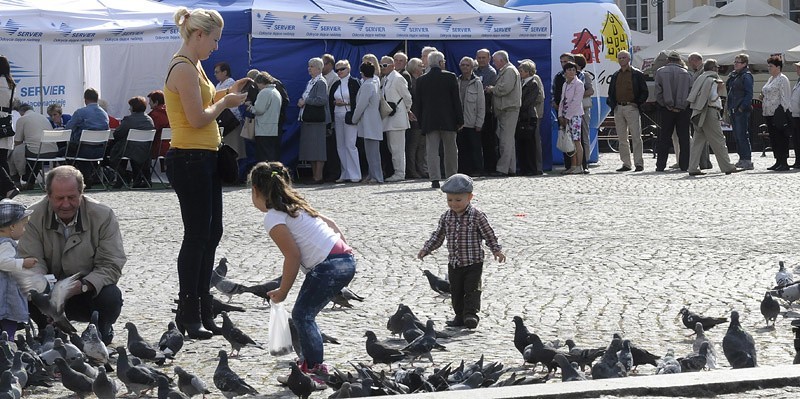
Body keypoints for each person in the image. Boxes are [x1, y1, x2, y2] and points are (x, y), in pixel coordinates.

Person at [163, 6, 248, 339]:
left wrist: (226, 93)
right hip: (189, 158)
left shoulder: (194, 65)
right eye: (214, 39)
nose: (216, 47)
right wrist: (225, 104)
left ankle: (201, 302)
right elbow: (198, 118)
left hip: (204, 157)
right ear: (198, 35)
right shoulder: (182, 67)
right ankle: (188, 310)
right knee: (197, 235)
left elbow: (204, 101)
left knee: (212, 233)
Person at [253, 162, 356, 384]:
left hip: (327, 266)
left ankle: (315, 370)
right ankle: (309, 364)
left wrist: (283, 291)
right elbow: (332, 224)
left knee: (302, 315)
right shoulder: (298, 206)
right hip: (344, 259)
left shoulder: (273, 217)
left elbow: (293, 256)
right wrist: (346, 254)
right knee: (305, 314)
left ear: (256, 191)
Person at [18, 166, 126, 344]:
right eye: (59, 198)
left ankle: (101, 330)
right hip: (47, 292)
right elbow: (30, 260)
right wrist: (45, 290)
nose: (66, 204)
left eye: (72, 197)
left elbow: (111, 264)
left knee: (111, 295)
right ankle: (47, 329)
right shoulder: (32, 216)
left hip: (84, 290)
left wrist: (81, 286)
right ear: (48, 195)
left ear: (81, 193)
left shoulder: (103, 215)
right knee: (22, 286)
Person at [417, 173, 505, 329]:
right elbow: (438, 236)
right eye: (449, 200)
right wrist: (427, 249)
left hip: (473, 262)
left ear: (470, 197)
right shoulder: (446, 217)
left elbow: (489, 234)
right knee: (456, 290)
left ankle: (471, 314)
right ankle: (459, 315)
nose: (454, 204)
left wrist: (496, 250)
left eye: (458, 200)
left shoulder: (477, 216)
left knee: (472, 289)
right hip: (455, 262)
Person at [416, 51, 463, 188]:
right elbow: (456, 101)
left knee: (431, 151)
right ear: (441, 63)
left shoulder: (421, 80)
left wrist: (420, 122)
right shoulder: (450, 77)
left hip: (429, 120)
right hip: (449, 119)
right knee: (451, 150)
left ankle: (434, 178)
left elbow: (418, 104)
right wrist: (460, 120)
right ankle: (451, 177)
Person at [686, 60, 740, 176]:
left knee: (697, 141)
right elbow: (712, 98)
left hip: (697, 112)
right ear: (714, 68)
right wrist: (720, 91)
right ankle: (727, 166)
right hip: (709, 112)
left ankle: (692, 167)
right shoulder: (713, 80)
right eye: (717, 67)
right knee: (719, 140)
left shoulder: (700, 78)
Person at [606, 50, 649, 172]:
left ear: (629, 59)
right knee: (622, 138)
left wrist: (637, 103)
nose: (621, 60)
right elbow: (611, 93)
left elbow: (644, 91)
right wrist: (612, 105)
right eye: (619, 58)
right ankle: (626, 163)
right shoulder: (615, 75)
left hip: (631, 107)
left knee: (636, 136)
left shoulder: (636, 74)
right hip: (618, 108)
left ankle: (639, 163)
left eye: (624, 57)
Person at [0, 199, 37, 338]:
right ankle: (7, 342)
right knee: (9, 317)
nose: (25, 229)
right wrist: (22, 263)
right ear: (12, 227)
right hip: (5, 293)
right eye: (23, 225)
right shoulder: (6, 244)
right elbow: (2, 262)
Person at [654, 50, 692, 172]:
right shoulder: (687, 74)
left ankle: (660, 165)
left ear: (668, 60)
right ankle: (684, 165)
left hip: (667, 110)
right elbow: (691, 93)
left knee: (664, 138)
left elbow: (658, 93)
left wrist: (666, 105)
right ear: (679, 60)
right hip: (683, 110)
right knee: (684, 139)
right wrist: (684, 105)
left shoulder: (660, 72)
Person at [107, 96, 155, 188]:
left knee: (117, 151)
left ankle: (122, 176)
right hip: (146, 150)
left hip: (129, 150)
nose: (129, 109)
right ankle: (136, 179)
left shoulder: (129, 119)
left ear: (133, 107)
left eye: (130, 106)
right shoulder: (150, 120)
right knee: (128, 149)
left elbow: (117, 134)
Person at [486, 50, 521, 176]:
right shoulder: (507, 70)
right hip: (505, 109)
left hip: (508, 109)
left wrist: (492, 89)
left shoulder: (510, 71)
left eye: (494, 61)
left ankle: (502, 168)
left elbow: (504, 88)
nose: (493, 64)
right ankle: (510, 168)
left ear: (501, 60)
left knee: (505, 141)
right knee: (508, 140)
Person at [64, 88, 109, 184]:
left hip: (82, 151)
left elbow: (68, 128)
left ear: (85, 99)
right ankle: (90, 176)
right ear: (97, 99)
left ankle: (72, 180)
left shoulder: (80, 112)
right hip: (100, 152)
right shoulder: (105, 114)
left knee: (61, 153)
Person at [379, 55, 412, 182]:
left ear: (392, 66)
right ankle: (397, 171)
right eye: (381, 65)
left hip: (397, 118)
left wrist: (407, 110)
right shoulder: (385, 79)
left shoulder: (398, 79)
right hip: (388, 117)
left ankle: (400, 172)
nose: (382, 68)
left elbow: (407, 97)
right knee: (392, 147)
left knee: (397, 147)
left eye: (385, 65)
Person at [328, 60, 361, 183]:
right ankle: (345, 172)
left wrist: (346, 103)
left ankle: (355, 173)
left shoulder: (354, 82)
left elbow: (358, 99)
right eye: (337, 70)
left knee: (350, 144)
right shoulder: (336, 84)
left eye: (342, 69)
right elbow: (331, 99)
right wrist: (335, 103)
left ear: (348, 69)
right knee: (340, 145)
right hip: (338, 114)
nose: (339, 72)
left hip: (349, 115)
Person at [298, 57, 330, 184]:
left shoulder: (321, 82)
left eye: (311, 66)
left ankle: (318, 176)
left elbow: (322, 100)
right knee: (311, 149)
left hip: (317, 120)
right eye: (308, 66)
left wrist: (306, 101)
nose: (309, 69)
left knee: (318, 149)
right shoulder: (311, 82)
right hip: (308, 118)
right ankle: (314, 175)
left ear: (318, 68)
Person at [13, 103, 58, 191]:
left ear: (21, 112)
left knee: (12, 152)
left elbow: (17, 142)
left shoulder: (22, 119)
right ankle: (30, 181)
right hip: (53, 151)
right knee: (35, 152)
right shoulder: (43, 117)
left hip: (36, 152)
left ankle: (16, 181)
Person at [351, 62, 383, 184]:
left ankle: (377, 176)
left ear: (362, 73)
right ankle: (372, 174)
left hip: (370, 121)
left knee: (372, 152)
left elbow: (361, 105)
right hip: (372, 120)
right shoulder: (373, 83)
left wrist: (354, 119)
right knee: (371, 151)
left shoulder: (367, 85)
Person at [760, 55, 792, 171]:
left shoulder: (782, 79)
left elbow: (785, 97)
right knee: (774, 138)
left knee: (781, 137)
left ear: (778, 67)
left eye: (771, 66)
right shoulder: (771, 79)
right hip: (768, 112)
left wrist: (783, 112)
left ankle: (784, 161)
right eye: (768, 66)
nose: (769, 68)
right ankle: (777, 160)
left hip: (777, 113)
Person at [457, 57, 485, 176]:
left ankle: (477, 170)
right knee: (461, 148)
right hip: (460, 122)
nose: (464, 67)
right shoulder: (456, 81)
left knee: (475, 148)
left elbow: (481, 104)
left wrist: (479, 122)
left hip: (472, 121)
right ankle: (464, 170)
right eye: (462, 65)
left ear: (472, 67)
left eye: (467, 65)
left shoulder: (477, 82)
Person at [726, 53, 755, 170]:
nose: (735, 64)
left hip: (741, 110)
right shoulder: (735, 75)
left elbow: (749, 94)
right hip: (733, 108)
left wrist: (742, 107)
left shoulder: (746, 76)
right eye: (735, 62)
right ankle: (741, 158)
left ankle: (747, 159)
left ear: (744, 64)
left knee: (742, 134)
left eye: (738, 62)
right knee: (737, 135)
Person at [213, 61, 245, 160]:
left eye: (217, 72)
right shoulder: (218, 85)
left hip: (231, 120)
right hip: (222, 120)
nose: (215, 74)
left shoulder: (231, 84)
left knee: (234, 149)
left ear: (225, 72)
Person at [559, 61, 585, 175]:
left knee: (576, 140)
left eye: (573, 70)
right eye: (569, 69)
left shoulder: (578, 84)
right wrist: (560, 115)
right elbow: (562, 100)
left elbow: (576, 102)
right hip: (565, 115)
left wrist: (568, 116)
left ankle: (580, 165)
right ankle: (573, 165)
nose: (571, 72)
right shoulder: (565, 84)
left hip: (574, 115)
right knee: (569, 140)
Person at [0, 56, 21, 199]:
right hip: (6, 121)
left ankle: (9, 187)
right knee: (2, 160)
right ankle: (4, 194)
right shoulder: (10, 84)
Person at [516, 59, 542, 176]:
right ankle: (523, 167)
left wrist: (518, 106)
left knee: (530, 144)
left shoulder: (533, 84)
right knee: (521, 144)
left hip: (529, 116)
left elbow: (528, 102)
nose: (519, 72)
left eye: (521, 70)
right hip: (521, 117)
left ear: (527, 72)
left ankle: (532, 168)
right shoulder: (521, 83)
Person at [251, 72, 282, 163]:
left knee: (263, 157)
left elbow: (259, 110)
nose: (257, 87)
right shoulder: (276, 92)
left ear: (261, 82)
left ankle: (264, 175)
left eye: (257, 84)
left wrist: (250, 108)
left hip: (263, 128)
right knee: (271, 155)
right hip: (273, 128)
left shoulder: (264, 92)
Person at [476, 48, 498, 174]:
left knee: (489, 141)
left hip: (488, 110)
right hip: (476, 111)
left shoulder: (491, 72)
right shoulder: (475, 70)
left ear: (489, 58)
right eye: (479, 58)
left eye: (483, 58)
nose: (481, 60)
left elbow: (486, 90)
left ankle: (490, 168)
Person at [405, 58, 426, 179]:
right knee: (413, 146)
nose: (422, 67)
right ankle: (412, 170)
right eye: (420, 65)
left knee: (421, 146)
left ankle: (420, 169)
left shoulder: (420, 80)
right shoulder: (411, 81)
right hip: (414, 117)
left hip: (422, 117)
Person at [574, 54, 593, 173]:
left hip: (583, 108)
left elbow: (590, 90)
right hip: (572, 109)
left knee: (584, 135)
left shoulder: (585, 75)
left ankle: (586, 161)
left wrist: (577, 95)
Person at [147, 90, 170, 164]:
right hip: (172, 147)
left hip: (158, 148)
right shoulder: (171, 112)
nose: (149, 103)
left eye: (150, 101)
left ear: (156, 102)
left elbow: (149, 132)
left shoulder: (155, 115)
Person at [791, 61, 800, 168]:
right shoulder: (798, 81)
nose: (797, 70)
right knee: (796, 139)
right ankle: (798, 160)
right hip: (795, 114)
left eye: (798, 68)